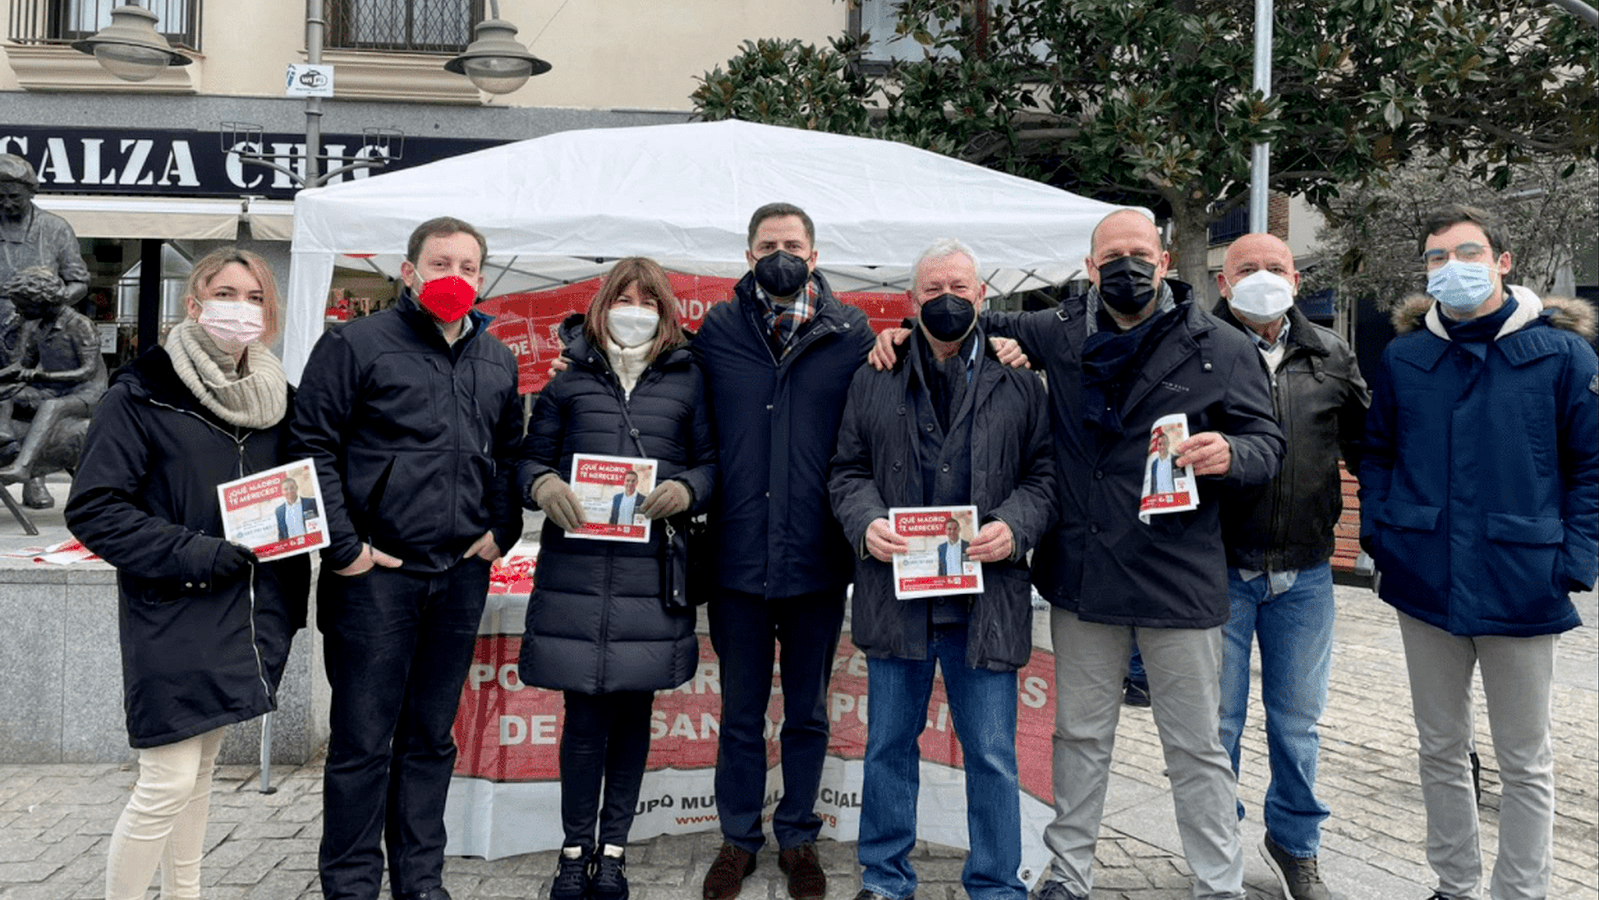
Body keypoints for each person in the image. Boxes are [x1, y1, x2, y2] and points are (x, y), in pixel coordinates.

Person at [871, 208, 1282, 900]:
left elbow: (1266, 445)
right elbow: (963, 320)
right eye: (1110, 256)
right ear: (1090, 269)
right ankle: (1068, 874)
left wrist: (1232, 452)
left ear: (1161, 259)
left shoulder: (1219, 343)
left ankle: (1218, 883)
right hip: (1084, 574)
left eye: (1138, 253)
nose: (1127, 266)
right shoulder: (1055, 332)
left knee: (1195, 749)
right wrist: (898, 334)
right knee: (1080, 740)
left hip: (1177, 577)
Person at [1359, 204, 1596, 900]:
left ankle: (1519, 893)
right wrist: (1382, 535)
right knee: (1438, 748)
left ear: (1501, 262)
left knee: (1524, 760)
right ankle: (1453, 885)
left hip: (1522, 577)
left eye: (1466, 252)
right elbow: (1377, 453)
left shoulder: (1560, 354)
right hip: (1423, 579)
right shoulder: (1405, 356)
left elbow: (1589, 467)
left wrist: (1573, 560)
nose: (1450, 267)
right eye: (1436, 257)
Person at [63, 247, 309, 900]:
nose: (242, 309)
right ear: (193, 304)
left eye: (256, 297)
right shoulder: (141, 393)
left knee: (201, 775)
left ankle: (186, 894)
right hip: (173, 604)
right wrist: (195, 552)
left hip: (247, 609)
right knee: (165, 782)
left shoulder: (277, 398)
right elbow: (94, 509)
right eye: (227, 293)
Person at [291, 217, 525, 900]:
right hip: (374, 577)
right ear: (410, 269)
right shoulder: (354, 344)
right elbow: (311, 445)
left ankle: (421, 879)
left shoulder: (496, 358)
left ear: (481, 277)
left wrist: (501, 527)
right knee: (364, 740)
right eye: (441, 261)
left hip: (458, 575)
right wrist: (343, 549)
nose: (456, 275)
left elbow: (510, 451)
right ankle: (352, 884)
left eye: (469, 265)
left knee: (430, 738)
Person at [830, 238, 1056, 900]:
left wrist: (1013, 527)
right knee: (888, 749)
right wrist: (864, 520)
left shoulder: (1019, 379)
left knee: (989, 755)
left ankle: (993, 885)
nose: (946, 299)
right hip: (895, 596)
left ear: (981, 294)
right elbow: (845, 470)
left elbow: (1044, 475)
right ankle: (884, 879)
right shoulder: (873, 374)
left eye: (959, 286)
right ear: (910, 300)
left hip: (984, 604)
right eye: (931, 289)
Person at [521, 257, 717, 900]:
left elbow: (715, 464)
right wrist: (542, 482)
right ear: (603, 304)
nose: (635, 308)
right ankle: (573, 852)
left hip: (650, 575)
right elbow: (528, 459)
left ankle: (614, 852)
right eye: (623, 297)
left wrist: (687, 488)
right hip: (576, 572)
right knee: (582, 719)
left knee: (633, 716)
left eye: (647, 299)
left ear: (665, 311)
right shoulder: (567, 380)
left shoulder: (691, 382)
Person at [696, 202, 875, 900]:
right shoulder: (717, 330)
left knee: (805, 712)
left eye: (792, 244)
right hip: (736, 557)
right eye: (768, 245)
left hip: (816, 558)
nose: (781, 254)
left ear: (815, 252)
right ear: (747, 256)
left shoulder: (852, 332)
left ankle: (797, 836)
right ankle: (737, 839)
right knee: (740, 715)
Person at [1211, 233, 1369, 900]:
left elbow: (1368, 450)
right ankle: (1215, 849)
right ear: (1223, 283)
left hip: (1303, 573)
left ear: (1295, 279)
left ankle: (1293, 844)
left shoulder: (1332, 356)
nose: (1260, 278)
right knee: (1215, 727)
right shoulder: (1194, 348)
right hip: (1214, 569)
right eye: (1245, 269)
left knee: (1296, 723)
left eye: (1273, 268)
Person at [0, 265, 107, 485]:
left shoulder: (81, 325)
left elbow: (87, 372)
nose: (19, 312)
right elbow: (23, 365)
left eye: (22, 307)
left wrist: (43, 377)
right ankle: (4, 435)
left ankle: (23, 466)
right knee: (7, 392)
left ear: (40, 302)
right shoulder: (36, 327)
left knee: (51, 407)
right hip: (52, 389)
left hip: (86, 394)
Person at [276, 475, 318, 539]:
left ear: (297, 488)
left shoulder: (312, 503)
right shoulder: (279, 511)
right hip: (293, 546)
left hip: (312, 543)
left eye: (292, 487)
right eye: (286, 489)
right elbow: (281, 534)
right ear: (282, 492)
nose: (289, 491)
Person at [1147, 429, 1177, 494]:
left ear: (1168, 444)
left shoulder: (1176, 460)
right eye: (1160, 444)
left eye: (1165, 444)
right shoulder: (1154, 463)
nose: (1162, 446)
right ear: (1157, 446)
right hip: (1159, 501)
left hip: (1175, 499)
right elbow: (1153, 485)